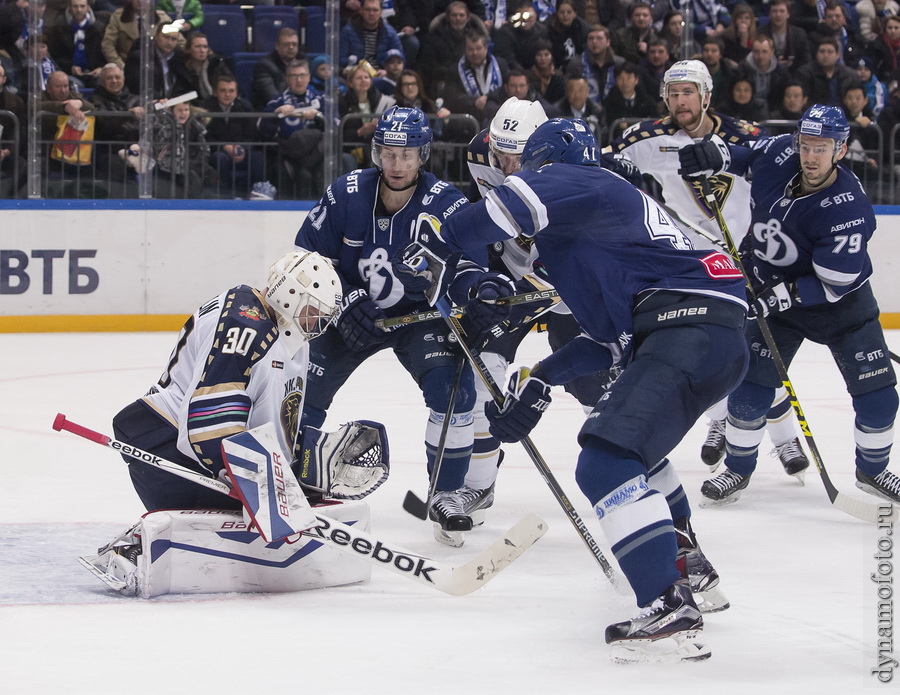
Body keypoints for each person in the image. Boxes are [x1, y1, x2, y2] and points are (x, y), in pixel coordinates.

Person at [393, 118, 748, 662]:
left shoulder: (582, 178)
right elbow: (604, 342)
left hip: (687, 328)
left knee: (606, 462)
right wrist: (540, 381)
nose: (515, 174)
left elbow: (494, 216)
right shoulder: (582, 237)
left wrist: (436, 239)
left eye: (523, 164)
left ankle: (668, 603)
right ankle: (682, 560)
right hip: (700, 336)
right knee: (632, 453)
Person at [677, 104, 900, 505]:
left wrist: (778, 296)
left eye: (822, 148)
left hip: (840, 307)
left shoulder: (848, 208)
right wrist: (712, 155)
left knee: (879, 395)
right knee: (749, 390)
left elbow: (833, 284)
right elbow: (742, 156)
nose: (810, 156)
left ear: (842, 150)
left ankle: (873, 469)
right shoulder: (781, 153)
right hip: (772, 294)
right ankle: (738, 470)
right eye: (806, 145)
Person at [294, 106, 485, 547]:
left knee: (453, 388)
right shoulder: (345, 193)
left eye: (408, 154)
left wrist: (479, 296)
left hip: (417, 319)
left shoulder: (448, 204)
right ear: (376, 152)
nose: (397, 164)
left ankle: (447, 494)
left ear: (423, 155)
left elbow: (469, 266)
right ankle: (289, 477)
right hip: (350, 315)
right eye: (389, 153)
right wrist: (345, 301)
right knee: (302, 388)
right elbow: (308, 257)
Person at [608, 60, 810, 476]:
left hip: (744, 262)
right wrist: (615, 171)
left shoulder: (744, 136)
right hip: (691, 267)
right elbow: (597, 166)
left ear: (706, 95)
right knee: (709, 352)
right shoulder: (645, 138)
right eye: (674, 93)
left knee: (757, 352)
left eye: (688, 93)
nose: (681, 102)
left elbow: (785, 173)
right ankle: (720, 421)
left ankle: (785, 436)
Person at [111, 249, 344, 512]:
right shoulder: (244, 326)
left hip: (197, 446)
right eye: (312, 311)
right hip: (169, 443)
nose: (316, 324)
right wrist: (264, 491)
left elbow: (270, 416)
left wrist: (298, 468)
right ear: (289, 294)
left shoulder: (285, 328)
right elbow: (207, 424)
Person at [124, 21, 193, 101]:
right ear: (156, 36)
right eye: (166, 37)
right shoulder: (140, 57)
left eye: (173, 39)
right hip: (148, 104)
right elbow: (138, 87)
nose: (169, 42)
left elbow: (184, 84)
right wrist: (159, 100)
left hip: (174, 105)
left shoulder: (178, 57)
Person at [44, 0, 104, 87]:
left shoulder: (98, 29)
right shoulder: (60, 28)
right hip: (69, 74)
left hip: (94, 73)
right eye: (75, 6)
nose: (79, 10)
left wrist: (101, 68)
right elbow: (56, 56)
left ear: (88, 7)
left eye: (82, 6)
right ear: (70, 8)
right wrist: (70, 67)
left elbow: (104, 53)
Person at [565, 24, 624, 105]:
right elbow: (569, 90)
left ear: (608, 42)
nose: (594, 42)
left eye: (599, 38)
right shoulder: (576, 64)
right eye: (591, 38)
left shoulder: (619, 63)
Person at [338, 0, 404, 72]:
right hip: (356, 74)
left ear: (381, 12)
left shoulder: (390, 33)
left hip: (382, 75)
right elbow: (341, 59)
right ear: (361, 10)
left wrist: (387, 72)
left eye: (375, 10)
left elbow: (400, 59)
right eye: (367, 10)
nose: (371, 13)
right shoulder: (348, 31)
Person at [797, 37, 861, 108]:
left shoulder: (850, 75)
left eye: (830, 52)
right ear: (816, 54)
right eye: (822, 51)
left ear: (837, 55)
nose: (825, 55)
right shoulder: (805, 73)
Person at [251, 28, 300, 109]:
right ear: (277, 46)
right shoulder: (264, 66)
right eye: (286, 44)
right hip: (271, 113)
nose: (291, 47)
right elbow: (272, 97)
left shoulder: (302, 62)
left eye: (294, 44)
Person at [758, 0, 811, 75]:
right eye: (774, 11)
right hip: (769, 75)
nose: (778, 15)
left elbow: (806, 60)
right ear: (769, 14)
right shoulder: (760, 33)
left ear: (788, 14)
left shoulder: (799, 33)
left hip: (795, 74)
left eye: (782, 11)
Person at [183, 32, 228, 101]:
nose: (202, 50)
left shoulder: (216, 64)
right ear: (189, 49)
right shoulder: (183, 69)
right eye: (198, 47)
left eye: (205, 47)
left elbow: (230, 85)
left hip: (217, 102)